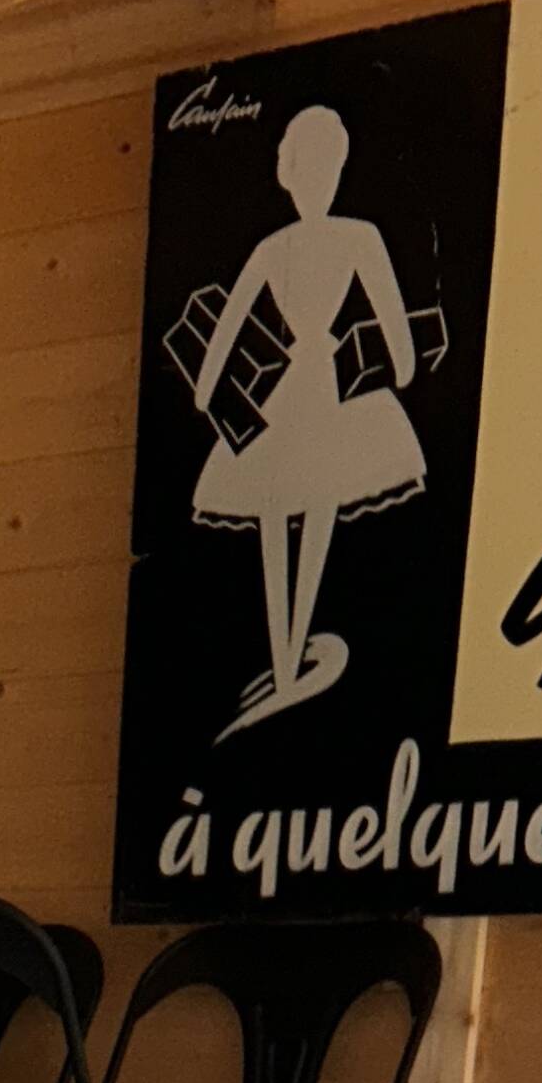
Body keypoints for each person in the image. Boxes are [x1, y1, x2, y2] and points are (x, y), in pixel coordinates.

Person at [191, 103, 425, 736]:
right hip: (310, 389)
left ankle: (288, 657)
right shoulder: (339, 240)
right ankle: (288, 659)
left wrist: (210, 388)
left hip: (302, 393)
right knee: (301, 504)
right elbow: (397, 338)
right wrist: (400, 364)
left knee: (290, 506)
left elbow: (224, 336)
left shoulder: (300, 245)